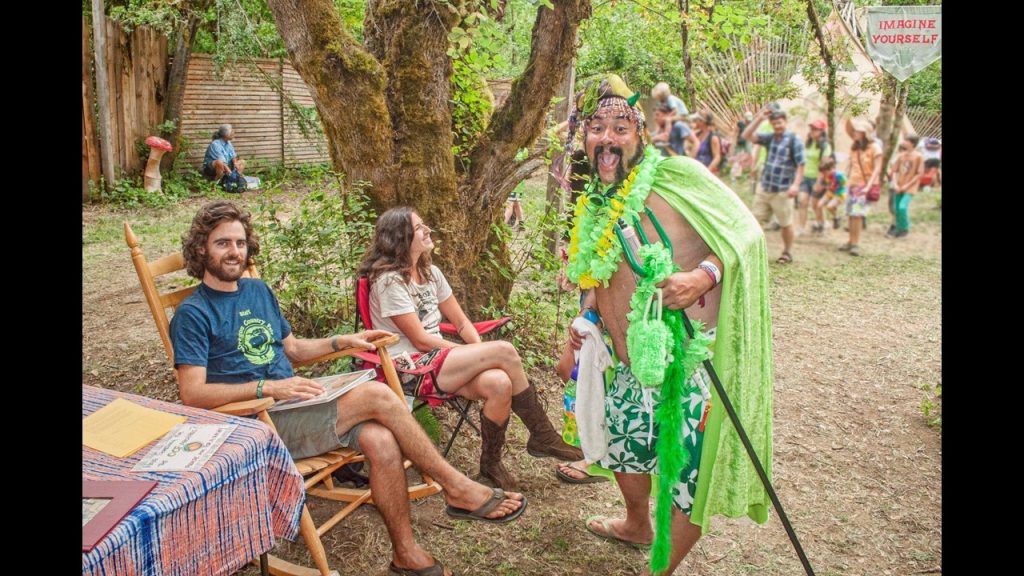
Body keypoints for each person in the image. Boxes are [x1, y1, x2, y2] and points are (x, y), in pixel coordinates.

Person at [169, 201, 526, 576]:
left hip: (293, 401)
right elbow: (193, 394)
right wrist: (268, 387)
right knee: (376, 393)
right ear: (200, 250)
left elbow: (293, 349)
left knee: (381, 441)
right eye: (223, 243)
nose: (234, 252)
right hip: (256, 422)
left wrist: (344, 340)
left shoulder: (257, 291)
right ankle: (456, 486)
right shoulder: (193, 314)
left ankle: (405, 555)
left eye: (240, 243)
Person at [562, 74, 773, 576]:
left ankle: (662, 570)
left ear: (641, 135)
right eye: (597, 128)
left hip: (688, 361)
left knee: (685, 477)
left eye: (620, 127)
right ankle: (637, 524)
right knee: (625, 451)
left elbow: (749, 234)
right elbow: (604, 269)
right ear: (584, 139)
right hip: (626, 361)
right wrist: (587, 316)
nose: (607, 138)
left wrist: (704, 276)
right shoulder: (597, 196)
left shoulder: (679, 176)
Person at [358, 207, 583, 490]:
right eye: (419, 227)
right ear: (400, 238)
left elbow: (463, 322)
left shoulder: (431, 273)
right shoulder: (389, 281)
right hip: (410, 368)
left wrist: (479, 355)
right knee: (503, 351)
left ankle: (490, 465)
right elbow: (421, 340)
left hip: (440, 362)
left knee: (499, 382)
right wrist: (475, 355)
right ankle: (542, 434)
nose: (428, 230)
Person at [741, 104, 806, 264]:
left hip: (782, 189)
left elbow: (801, 164)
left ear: (785, 121)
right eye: (774, 123)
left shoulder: (793, 139)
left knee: (786, 223)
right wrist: (759, 118)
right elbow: (746, 135)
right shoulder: (770, 137)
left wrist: (796, 185)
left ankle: (787, 252)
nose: (777, 125)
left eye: (780, 122)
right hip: (765, 187)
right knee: (755, 222)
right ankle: (751, 253)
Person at [840, 118, 882, 256]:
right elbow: (848, 128)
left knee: (857, 214)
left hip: (863, 186)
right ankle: (850, 241)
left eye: (858, 131)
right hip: (853, 184)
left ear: (865, 133)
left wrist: (868, 186)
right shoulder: (856, 146)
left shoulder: (875, 147)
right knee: (851, 214)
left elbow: (877, 169)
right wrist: (850, 114)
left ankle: (855, 244)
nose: (855, 132)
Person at [797, 119, 832, 235]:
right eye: (811, 128)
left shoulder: (825, 146)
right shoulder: (808, 144)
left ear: (822, 131)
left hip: (818, 178)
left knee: (816, 205)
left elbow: (824, 165)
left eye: (815, 129)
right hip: (805, 177)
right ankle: (801, 227)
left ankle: (821, 224)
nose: (812, 131)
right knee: (802, 201)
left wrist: (819, 181)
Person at [887, 134, 923, 238]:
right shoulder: (901, 156)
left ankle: (905, 228)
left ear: (912, 143)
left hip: (910, 187)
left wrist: (907, 185)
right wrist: (895, 183)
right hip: (899, 186)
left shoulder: (918, 156)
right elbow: (894, 171)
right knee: (897, 208)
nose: (903, 142)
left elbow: (918, 174)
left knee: (902, 207)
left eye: (906, 141)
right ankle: (898, 229)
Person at [814, 157, 847, 231]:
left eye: (824, 172)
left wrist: (837, 188)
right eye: (822, 172)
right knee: (819, 205)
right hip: (830, 192)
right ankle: (820, 224)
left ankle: (836, 218)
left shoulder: (839, 175)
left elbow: (845, 184)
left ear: (831, 169)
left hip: (839, 193)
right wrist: (824, 186)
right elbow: (825, 185)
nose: (823, 174)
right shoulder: (825, 175)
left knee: (829, 206)